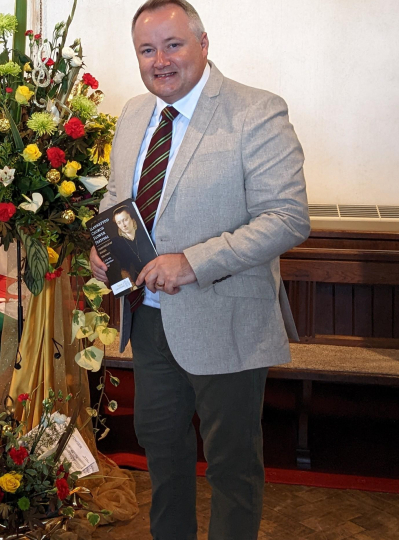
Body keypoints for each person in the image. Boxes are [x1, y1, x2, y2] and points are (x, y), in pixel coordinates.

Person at [90, 1, 310, 538]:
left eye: (173, 45)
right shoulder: (133, 114)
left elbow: (287, 217)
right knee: (162, 456)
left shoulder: (256, 111)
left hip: (225, 318)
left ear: (203, 44)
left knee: (232, 466)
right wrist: (103, 250)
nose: (160, 60)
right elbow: (119, 202)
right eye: (147, 50)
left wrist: (193, 263)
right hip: (149, 321)